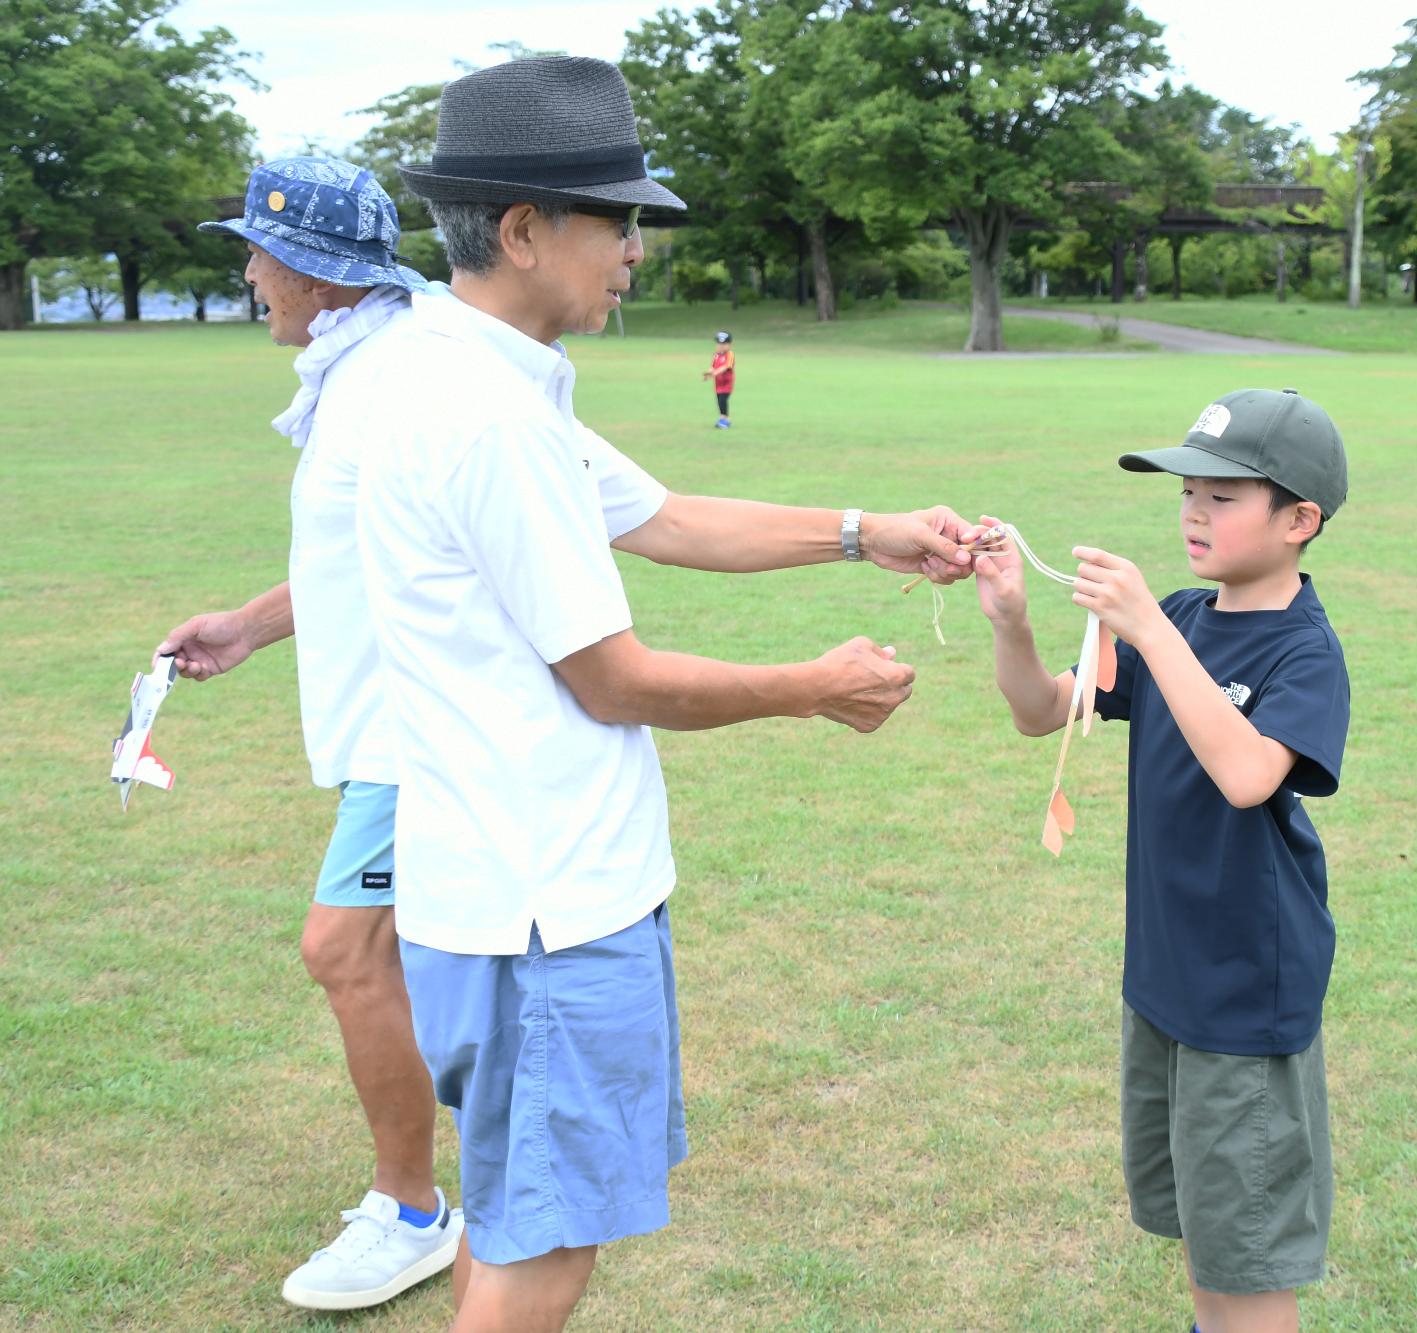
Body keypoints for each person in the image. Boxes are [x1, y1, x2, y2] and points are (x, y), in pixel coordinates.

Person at [337, 55, 976, 1331]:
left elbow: (670, 516)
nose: (635, 248)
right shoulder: (489, 417)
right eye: (614, 220)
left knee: (515, 1208)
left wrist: (867, 529)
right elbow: (615, 679)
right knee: (550, 1247)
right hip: (548, 908)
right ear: (522, 230)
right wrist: (816, 685)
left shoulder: (468, 376)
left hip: (491, 894)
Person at [154, 156, 465, 1312]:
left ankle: (413, 1210)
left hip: (413, 728)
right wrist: (250, 624)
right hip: (391, 724)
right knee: (433, 951)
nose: (247, 273)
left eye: (257, 253)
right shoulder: (361, 370)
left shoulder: (391, 380)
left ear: (314, 272)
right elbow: (366, 557)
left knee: (345, 950)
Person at [975, 388, 1351, 1333]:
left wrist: (1151, 630)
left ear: (1299, 519)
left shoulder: (1306, 651)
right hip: (1167, 983)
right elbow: (1039, 709)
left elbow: (1247, 775)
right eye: (1188, 489)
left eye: (1224, 495)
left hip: (1244, 1000)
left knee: (1248, 1270)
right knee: (1205, 1246)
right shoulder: (1183, 616)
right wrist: (1012, 621)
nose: (1193, 509)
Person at [702, 329, 734, 428]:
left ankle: (725, 420)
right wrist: (708, 373)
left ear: (729, 345)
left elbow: (726, 367)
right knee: (719, 401)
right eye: (719, 343)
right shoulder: (716, 355)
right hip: (718, 384)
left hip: (726, 384)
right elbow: (713, 366)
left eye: (723, 344)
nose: (721, 346)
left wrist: (715, 373)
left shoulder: (730, 355)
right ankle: (722, 418)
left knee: (723, 401)